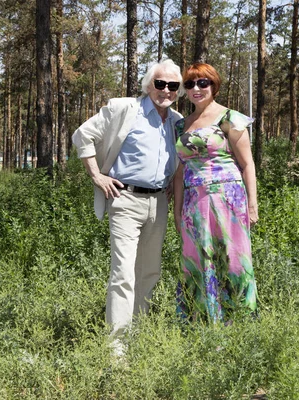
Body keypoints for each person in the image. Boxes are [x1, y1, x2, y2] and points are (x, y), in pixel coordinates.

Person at [72, 59, 183, 355]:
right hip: (126, 199)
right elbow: (83, 135)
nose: (166, 90)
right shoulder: (125, 109)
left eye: (173, 86)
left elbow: (178, 158)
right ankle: (117, 349)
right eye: (160, 84)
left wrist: (171, 183)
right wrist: (97, 175)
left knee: (150, 272)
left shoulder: (176, 121)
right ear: (149, 85)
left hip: (159, 203)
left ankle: (139, 337)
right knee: (123, 273)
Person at [173, 62, 258, 323]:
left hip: (228, 199)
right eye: (189, 84)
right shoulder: (181, 125)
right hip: (193, 202)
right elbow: (179, 172)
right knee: (198, 259)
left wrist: (252, 206)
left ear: (214, 85)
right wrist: (177, 212)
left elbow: (247, 164)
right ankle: (203, 324)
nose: (196, 89)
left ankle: (239, 324)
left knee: (233, 259)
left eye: (202, 83)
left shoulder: (229, 118)